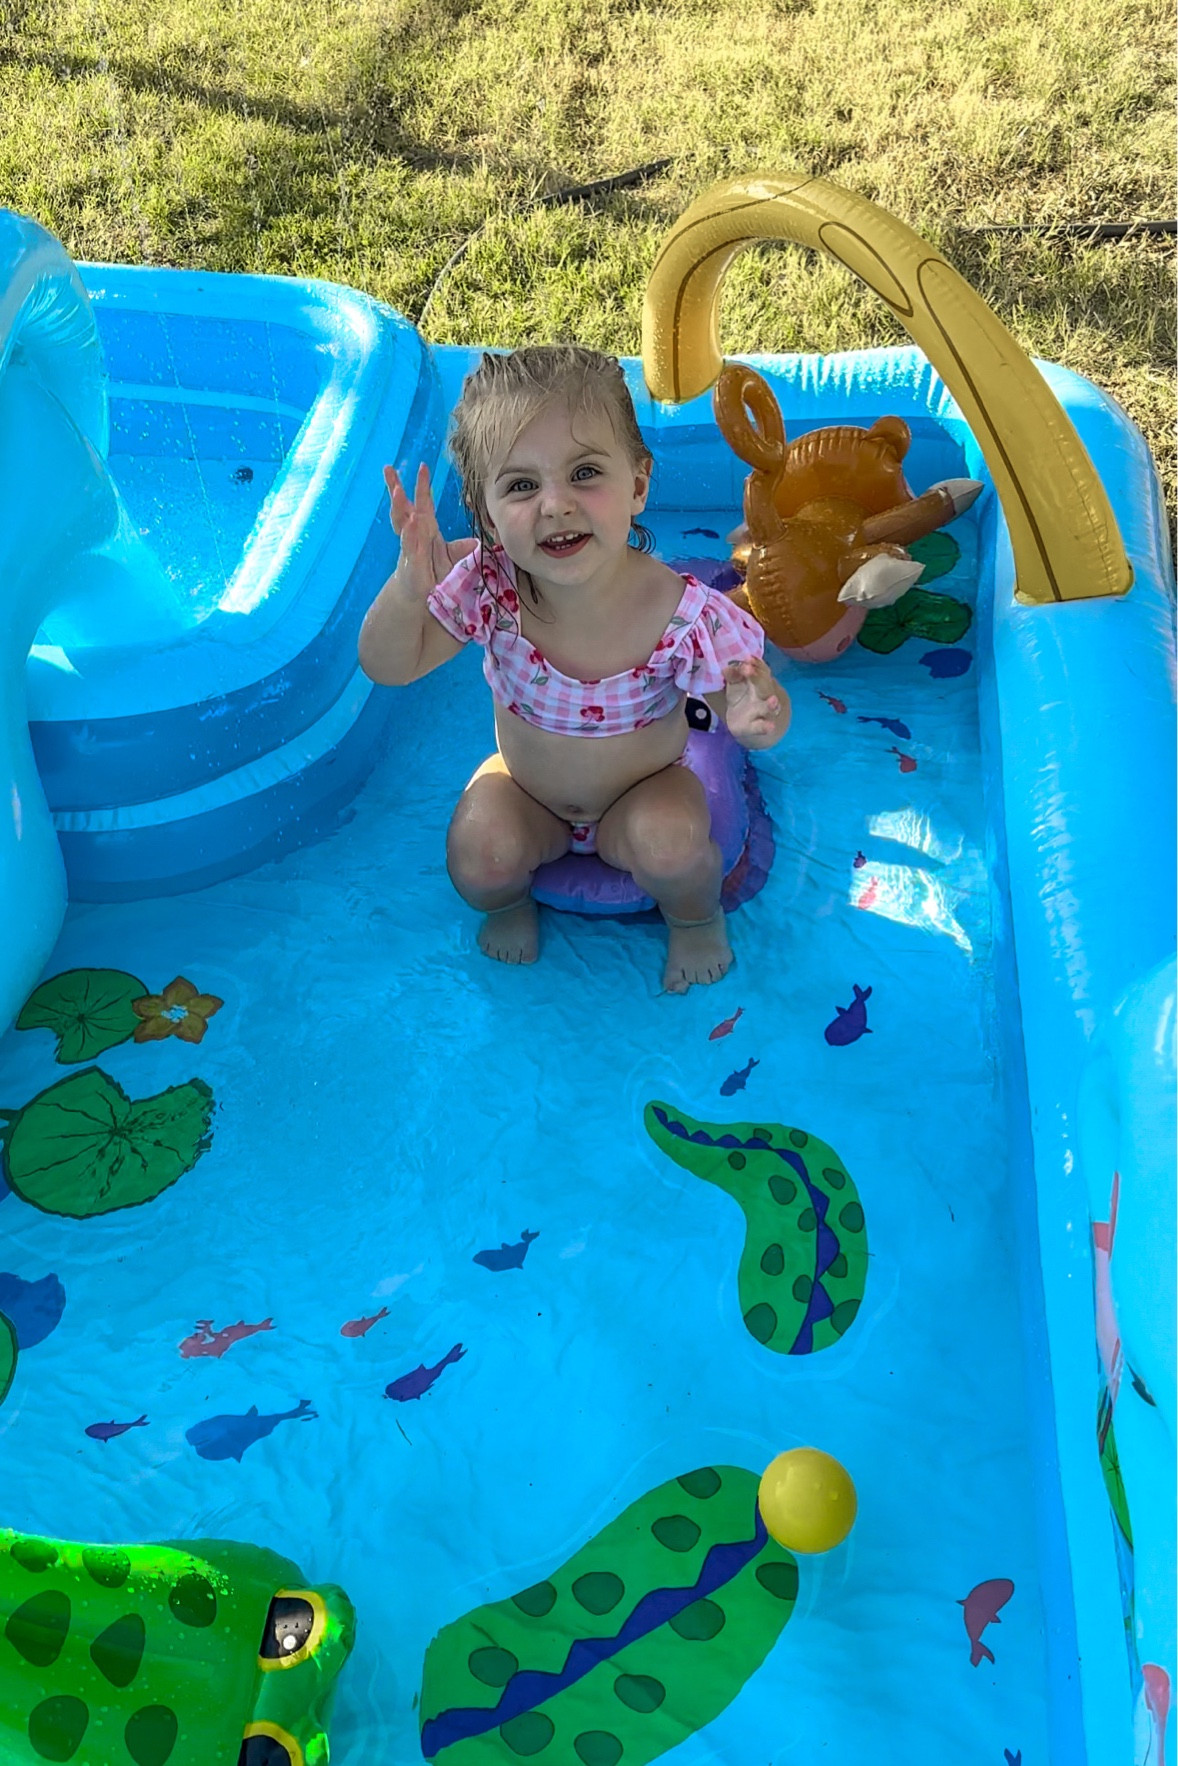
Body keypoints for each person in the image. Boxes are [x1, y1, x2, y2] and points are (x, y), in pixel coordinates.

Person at [358, 346, 790, 992]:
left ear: (639, 486)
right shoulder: (488, 590)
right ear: (485, 512)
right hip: (531, 794)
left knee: (671, 844)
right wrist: (406, 588)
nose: (555, 505)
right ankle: (511, 906)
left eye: (585, 473)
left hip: (642, 791)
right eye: (522, 486)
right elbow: (389, 666)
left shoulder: (680, 613)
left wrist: (760, 716)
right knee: (477, 855)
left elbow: (746, 707)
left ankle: (695, 922)